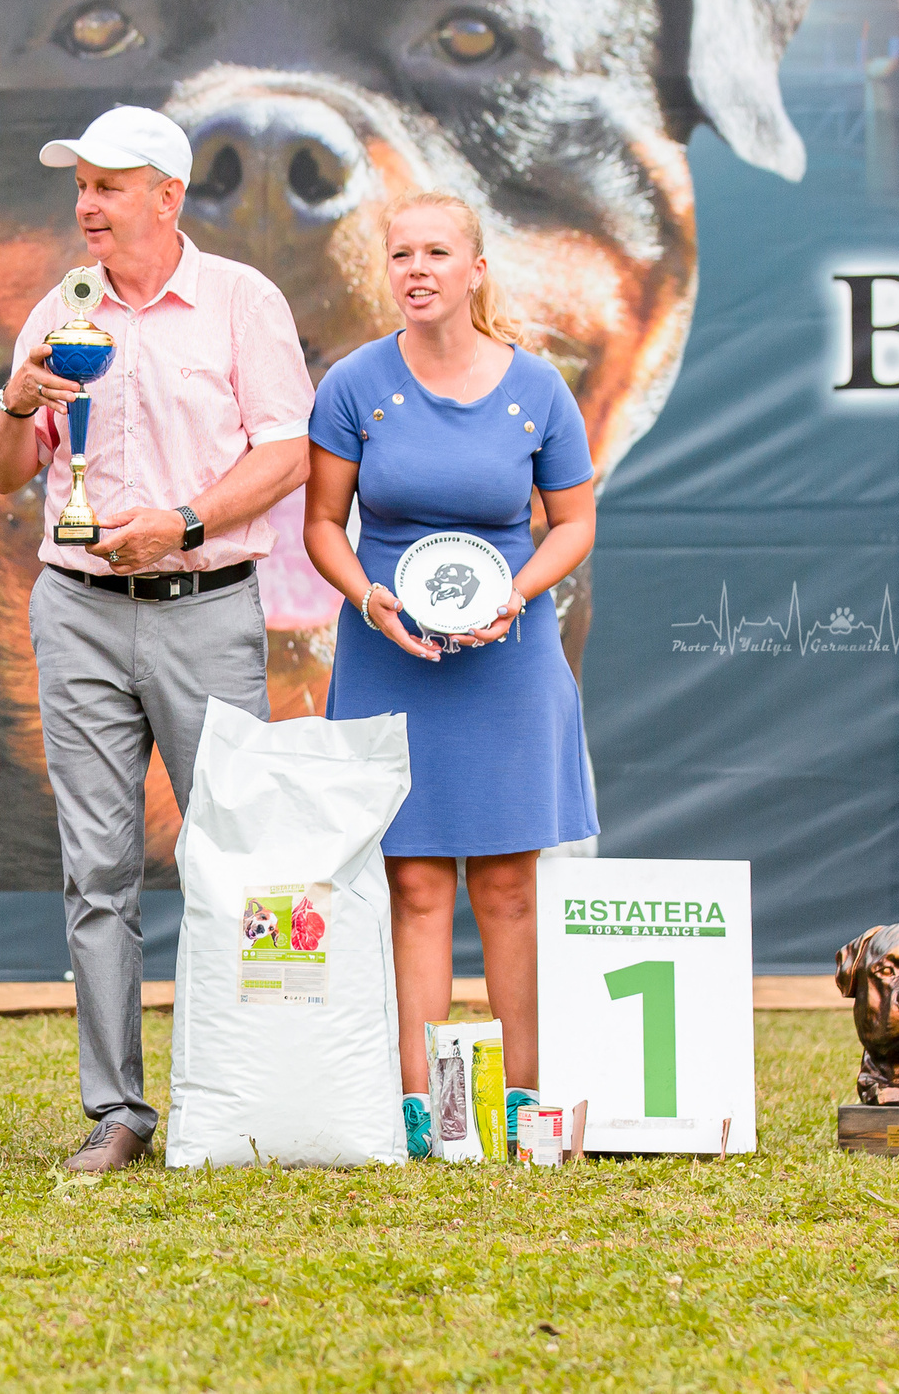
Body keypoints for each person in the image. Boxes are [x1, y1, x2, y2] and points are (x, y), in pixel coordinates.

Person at [0, 106, 315, 1173]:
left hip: (206, 604)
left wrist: (182, 523)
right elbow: (2, 471)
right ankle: (116, 1112)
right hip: (74, 607)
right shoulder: (58, 307)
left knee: (236, 862)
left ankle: (242, 1093)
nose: (85, 204)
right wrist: (11, 401)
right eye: (79, 185)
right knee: (97, 869)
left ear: (168, 198)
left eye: (109, 185)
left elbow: (289, 452)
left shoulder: (238, 303)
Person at [300, 190, 599, 1159]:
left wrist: (515, 592)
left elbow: (575, 525)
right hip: (391, 658)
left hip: (508, 663)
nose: (416, 269)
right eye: (400, 255)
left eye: (436, 252)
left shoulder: (539, 389)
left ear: (476, 269)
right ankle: (423, 1116)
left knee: (509, 888)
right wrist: (366, 597)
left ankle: (524, 1109)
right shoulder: (352, 384)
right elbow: (319, 527)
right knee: (416, 887)